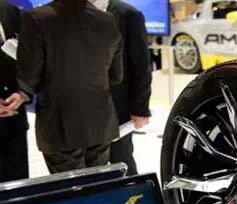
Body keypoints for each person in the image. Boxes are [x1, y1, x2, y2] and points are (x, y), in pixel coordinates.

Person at [16, 0, 123, 174]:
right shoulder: (107, 20)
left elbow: (29, 76)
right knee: (98, 183)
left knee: (70, 186)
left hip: (59, 123)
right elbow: (116, 76)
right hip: (100, 120)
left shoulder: (36, 18)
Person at [92, 0, 151, 176]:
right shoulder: (73, 12)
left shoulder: (129, 15)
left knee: (121, 158)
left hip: (118, 105)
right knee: (90, 166)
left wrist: (140, 108)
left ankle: (132, 193)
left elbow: (141, 64)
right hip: (83, 106)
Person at [0, 0, 29, 183]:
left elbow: (29, 58)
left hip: (15, 120)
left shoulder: (10, 10)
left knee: (18, 186)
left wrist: (23, 92)